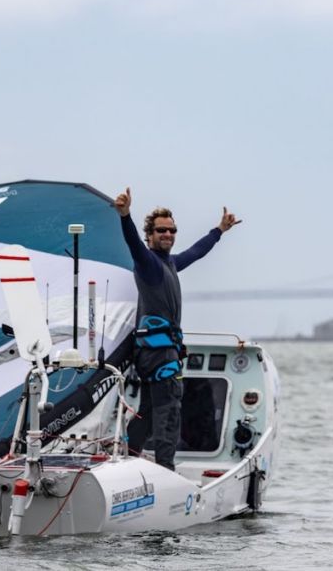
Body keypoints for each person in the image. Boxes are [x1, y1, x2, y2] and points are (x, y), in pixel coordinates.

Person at [113, 187, 241, 471]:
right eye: (161, 230)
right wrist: (125, 216)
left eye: (172, 230)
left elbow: (196, 252)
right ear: (150, 235)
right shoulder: (148, 263)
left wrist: (219, 230)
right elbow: (133, 244)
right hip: (160, 356)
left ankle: (128, 460)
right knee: (168, 411)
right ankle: (165, 471)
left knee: (147, 411)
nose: (167, 235)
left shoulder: (169, 263)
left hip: (155, 352)